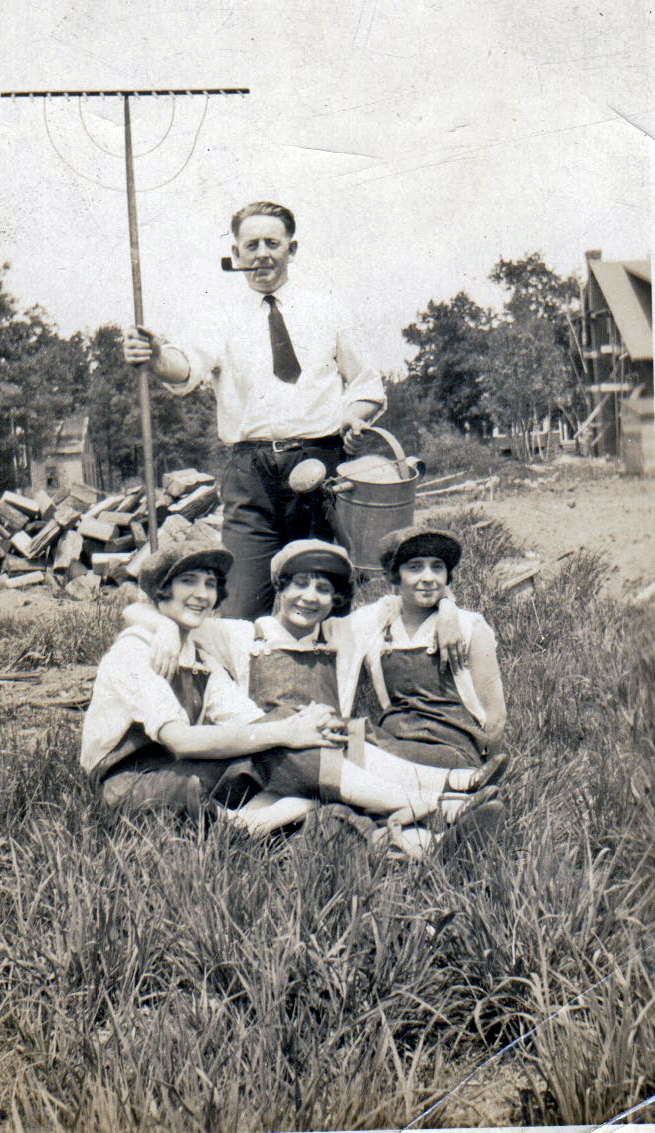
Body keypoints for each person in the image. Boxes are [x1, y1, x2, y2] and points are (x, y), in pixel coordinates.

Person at [121, 538, 505, 852]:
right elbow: (155, 613)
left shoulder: (344, 634)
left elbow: (407, 594)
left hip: (334, 762)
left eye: (323, 589)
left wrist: (449, 608)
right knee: (342, 782)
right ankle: (444, 802)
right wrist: (164, 629)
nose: (310, 598)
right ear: (280, 588)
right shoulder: (242, 636)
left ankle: (433, 845)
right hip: (267, 766)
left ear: (335, 600)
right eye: (299, 584)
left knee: (343, 789)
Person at [122, 200, 386, 619]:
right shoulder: (219, 317)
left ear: (291, 249)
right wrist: (155, 357)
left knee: (326, 602)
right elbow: (185, 366)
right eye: (251, 245)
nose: (262, 252)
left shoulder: (327, 309)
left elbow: (367, 383)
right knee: (241, 609)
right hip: (250, 477)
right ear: (237, 255)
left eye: (272, 242)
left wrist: (354, 414)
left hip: (320, 470)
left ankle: (327, 681)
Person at [356, 526, 507, 772]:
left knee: (359, 752)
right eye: (415, 567)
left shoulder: (470, 626)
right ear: (395, 576)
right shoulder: (378, 624)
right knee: (349, 741)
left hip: (451, 747)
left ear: (447, 576)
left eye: (437, 567)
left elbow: (495, 716)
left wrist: (489, 771)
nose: (428, 577)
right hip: (396, 741)